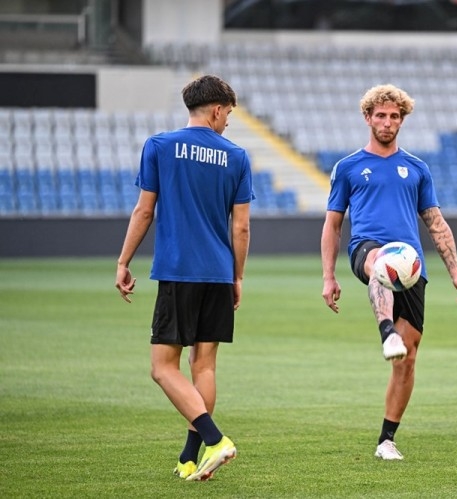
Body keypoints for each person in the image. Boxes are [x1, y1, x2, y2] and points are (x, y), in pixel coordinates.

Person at [320, 84, 457, 460]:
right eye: (380, 116)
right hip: (367, 251)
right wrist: (329, 276)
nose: (387, 123)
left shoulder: (417, 168)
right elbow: (333, 225)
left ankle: (386, 439)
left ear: (401, 120)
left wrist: (456, 272)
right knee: (381, 267)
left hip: (413, 265)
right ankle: (386, 331)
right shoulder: (349, 167)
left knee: (407, 358)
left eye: (394, 116)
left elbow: (436, 223)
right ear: (367, 118)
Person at [115, 75, 253, 480]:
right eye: (228, 113)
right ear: (215, 110)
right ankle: (190, 457)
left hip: (178, 271)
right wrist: (237, 277)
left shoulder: (159, 146)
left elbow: (144, 211)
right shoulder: (238, 156)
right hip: (217, 273)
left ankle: (215, 440)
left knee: (162, 368)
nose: (228, 121)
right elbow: (241, 228)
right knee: (204, 367)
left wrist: (124, 260)